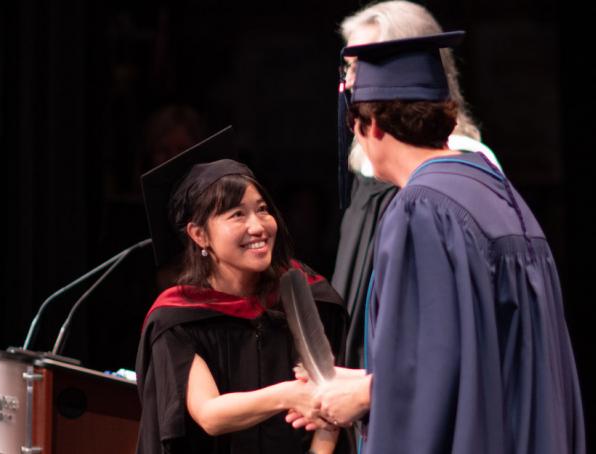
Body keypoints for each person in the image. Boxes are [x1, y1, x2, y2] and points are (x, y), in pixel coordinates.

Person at [291, 32, 586, 453]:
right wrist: (357, 382)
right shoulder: (495, 190)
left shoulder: (421, 209)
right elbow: (470, 351)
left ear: (370, 125)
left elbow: (428, 373)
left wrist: (359, 397)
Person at [136, 127, 348, 454]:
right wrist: (289, 394)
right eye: (237, 214)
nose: (258, 226)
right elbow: (209, 414)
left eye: (262, 209)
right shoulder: (178, 318)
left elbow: (330, 410)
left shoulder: (305, 294)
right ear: (199, 234)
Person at [331, 0, 501, 371]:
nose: (351, 82)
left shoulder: (459, 170)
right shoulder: (367, 169)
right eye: (350, 67)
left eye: (362, 67)